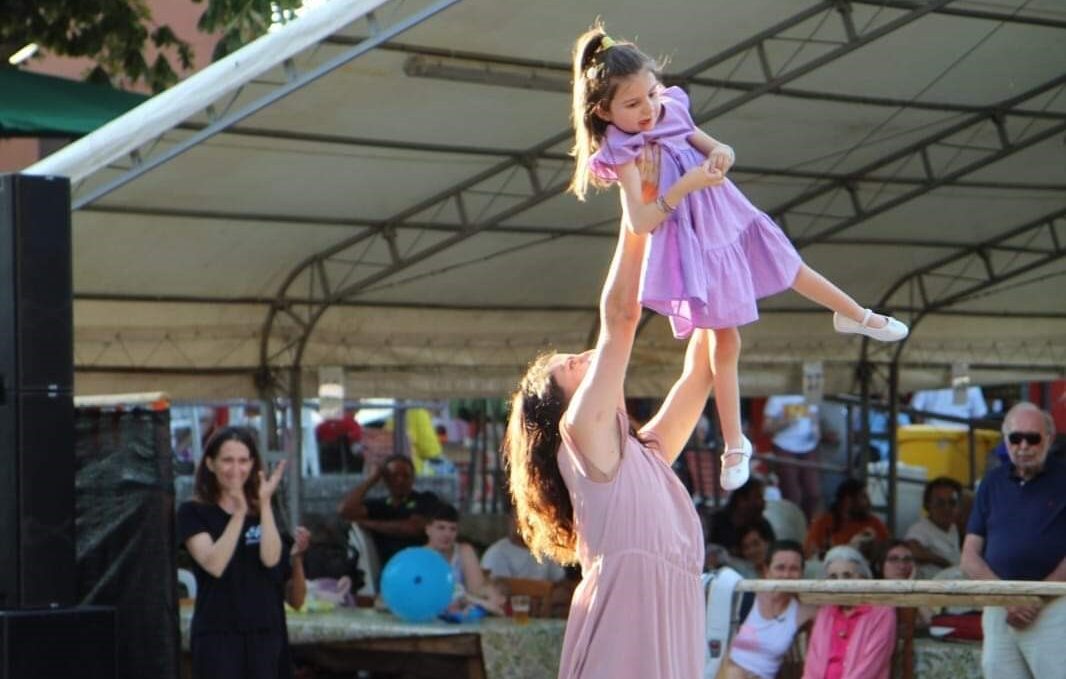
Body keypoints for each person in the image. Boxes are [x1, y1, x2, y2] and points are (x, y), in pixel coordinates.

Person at [568, 25, 907, 492]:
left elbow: (707, 142)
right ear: (603, 111)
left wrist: (722, 152)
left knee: (789, 266)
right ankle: (734, 444)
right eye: (633, 104)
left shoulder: (670, 109)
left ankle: (857, 315)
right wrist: (685, 186)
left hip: (728, 213)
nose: (647, 109)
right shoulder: (622, 150)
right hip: (694, 242)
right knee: (724, 346)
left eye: (649, 94)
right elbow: (641, 219)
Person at [504, 206, 712, 672]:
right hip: (627, 630)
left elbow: (700, 375)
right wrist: (636, 218)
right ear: (564, 406)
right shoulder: (579, 433)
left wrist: (711, 281)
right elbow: (621, 316)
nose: (584, 356)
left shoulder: (644, 453)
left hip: (664, 629)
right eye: (571, 367)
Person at [961, 402, 1066, 679]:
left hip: (1054, 605)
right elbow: (969, 556)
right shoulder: (991, 482)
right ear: (1005, 440)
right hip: (1000, 609)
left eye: (1032, 438)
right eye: (1015, 438)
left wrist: (1036, 597)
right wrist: (1009, 599)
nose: (1023, 445)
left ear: (1049, 438)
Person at [176, 426, 292, 679]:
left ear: (252, 464)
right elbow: (214, 563)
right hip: (218, 631)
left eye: (243, 461)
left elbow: (271, 559)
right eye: (227, 460)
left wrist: (264, 505)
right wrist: (238, 515)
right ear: (210, 463)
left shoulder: (262, 507)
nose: (235, 469)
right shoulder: (193, 511)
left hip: (265, 629)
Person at [723, 540, 817, 679]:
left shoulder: (803, 612)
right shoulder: (745, 597)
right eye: (780, 568)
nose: (786, 575)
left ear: (802, 573)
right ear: (766, 570)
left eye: (794, 569)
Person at [803, 546, 896, 679]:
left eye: (847, 576)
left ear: (863, 579)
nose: (840, 583)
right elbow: (812, 665)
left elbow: (871, 667)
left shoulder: (882, 612)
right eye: (833, 577)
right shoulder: (825, 612)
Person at [336, 454, 440, 568]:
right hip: (388, 570)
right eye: (394, 476)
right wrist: (373, 479)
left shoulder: (425, 499)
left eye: (406, 476)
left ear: (413, 478)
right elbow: (344, 510)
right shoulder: (380, 505)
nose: (400, 480)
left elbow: (412, 528)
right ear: (385, 479)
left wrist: (368, 524)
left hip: (418, 566)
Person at [423, 502, 505, 614]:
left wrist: (491, 593)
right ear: (428, 529)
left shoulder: (464, 551)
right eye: (441, 528)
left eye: (453, 529)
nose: (447, 534)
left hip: (463, 615)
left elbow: (477, 589)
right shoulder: (420, 556)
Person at [763, 394, 826, 519]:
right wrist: (786, 421)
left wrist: (816, 433)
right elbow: (766, 427)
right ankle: (793, 527)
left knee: (813, 492)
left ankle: (807, 524)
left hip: (808, 447)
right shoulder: (777, 397)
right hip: (785, 446)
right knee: (792, 494)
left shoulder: (809, 392)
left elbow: (814, 416)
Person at [804, 478, 888, 561]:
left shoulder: (874, 523)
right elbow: (810, 557)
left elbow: (887, 552)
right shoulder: (823, 523)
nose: (869, 502)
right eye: (863, 497)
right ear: (848, 500)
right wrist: (850, 548)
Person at [481, 508, 567, 582]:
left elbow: (559, 581)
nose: (521, 524)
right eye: (517, 519)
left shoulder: (546, 551)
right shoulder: (496, 553)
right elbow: (497, 589)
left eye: (527, 519)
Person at [904, 476, 963, 579]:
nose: (947, 508)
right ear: (928, 504)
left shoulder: (953, 528)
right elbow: (913, 551)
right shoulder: (919, 529)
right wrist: (944, 563)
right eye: (940, 503)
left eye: (952, 503)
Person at [706, 477, 776, 555]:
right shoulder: (716, 523)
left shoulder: (763, 526)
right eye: (757, 497)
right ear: (741, 500)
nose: (763, 503)